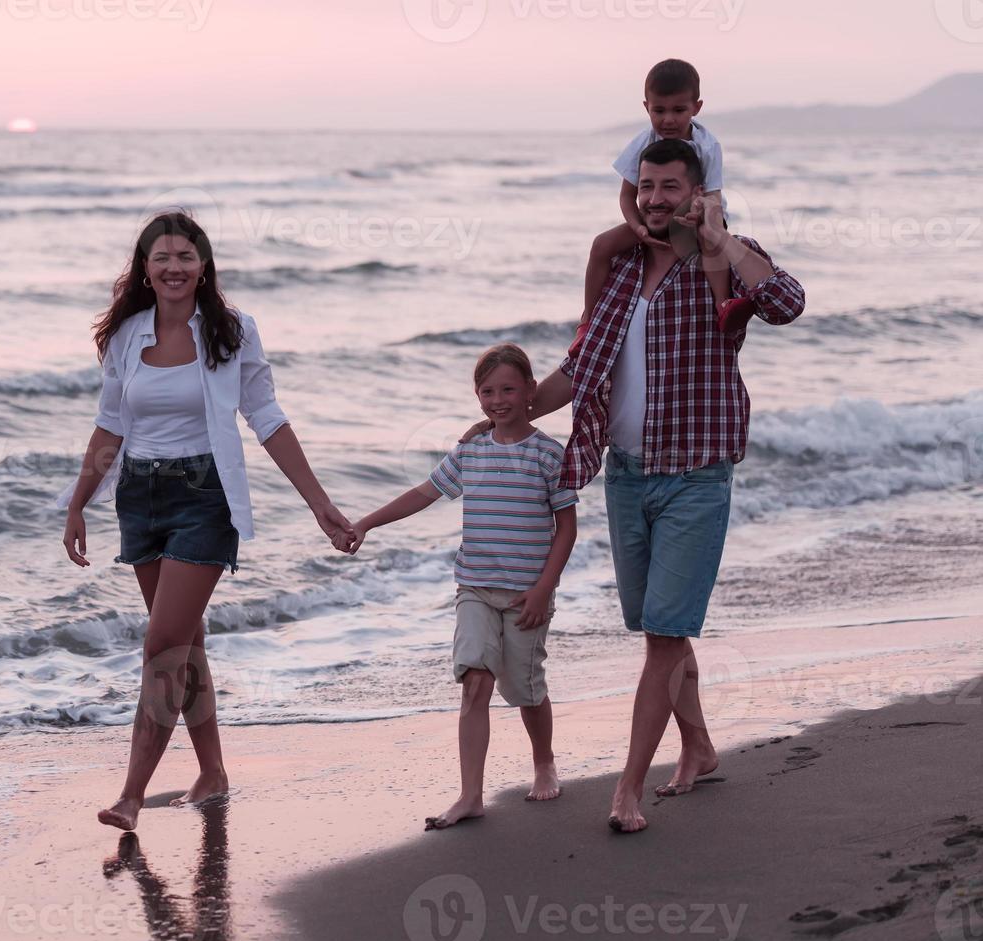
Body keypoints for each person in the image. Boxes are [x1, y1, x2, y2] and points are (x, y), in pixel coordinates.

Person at [463, 139, 805, 833]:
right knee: (660, 630)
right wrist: (510, 413)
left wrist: (723, 240)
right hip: (624, 476)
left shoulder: (723, 264)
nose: (654, 199)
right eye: (646, 186)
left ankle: (628, 790)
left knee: (662, 635)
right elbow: (579, 367)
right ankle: (700, 746)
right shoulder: (620, 270)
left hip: (696, 477)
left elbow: (788, 302)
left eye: (669, 187)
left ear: (697, 191)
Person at [58, 210, 356, 832]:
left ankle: (132, 795)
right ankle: (213, 771)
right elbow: (111, 423)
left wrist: (317, 501)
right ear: (144, 267)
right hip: (138, 496)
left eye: (186, 257)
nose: (174, 268)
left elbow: (267, 417)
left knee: (161, 645)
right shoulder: (124, 336)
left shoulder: (232, 331)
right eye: (162, 257)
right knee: (185, 643)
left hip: (205, 496)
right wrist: (78, 500)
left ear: (204, 265)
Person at [345, 344, 578, 830]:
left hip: (525, 595)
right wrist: (365, 523)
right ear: (477, 396)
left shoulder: (549, 455)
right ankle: (470, 794)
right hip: (473, 588)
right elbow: (423, 494)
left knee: (526, 690)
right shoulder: (470, 451)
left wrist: (543, 590)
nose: (499, 399)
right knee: (475, 682)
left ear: (531, 391)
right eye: (488, 391)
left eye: (509, 389)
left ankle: (544, 760)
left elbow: (567, 528)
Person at [581, 58, 732, 333]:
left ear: (696, 108)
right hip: (651, 219)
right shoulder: (643, 142)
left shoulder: (707, 145)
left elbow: (714, 195)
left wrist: (704, 218)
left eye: (679, 109)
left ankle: (725, 307)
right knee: (601, 245)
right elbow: (628, 196)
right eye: (659, 110)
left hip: (694, 216)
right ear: (646, 107)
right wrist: (638, 228)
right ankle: (587, 320)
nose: (668, 119)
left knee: (713, 240)